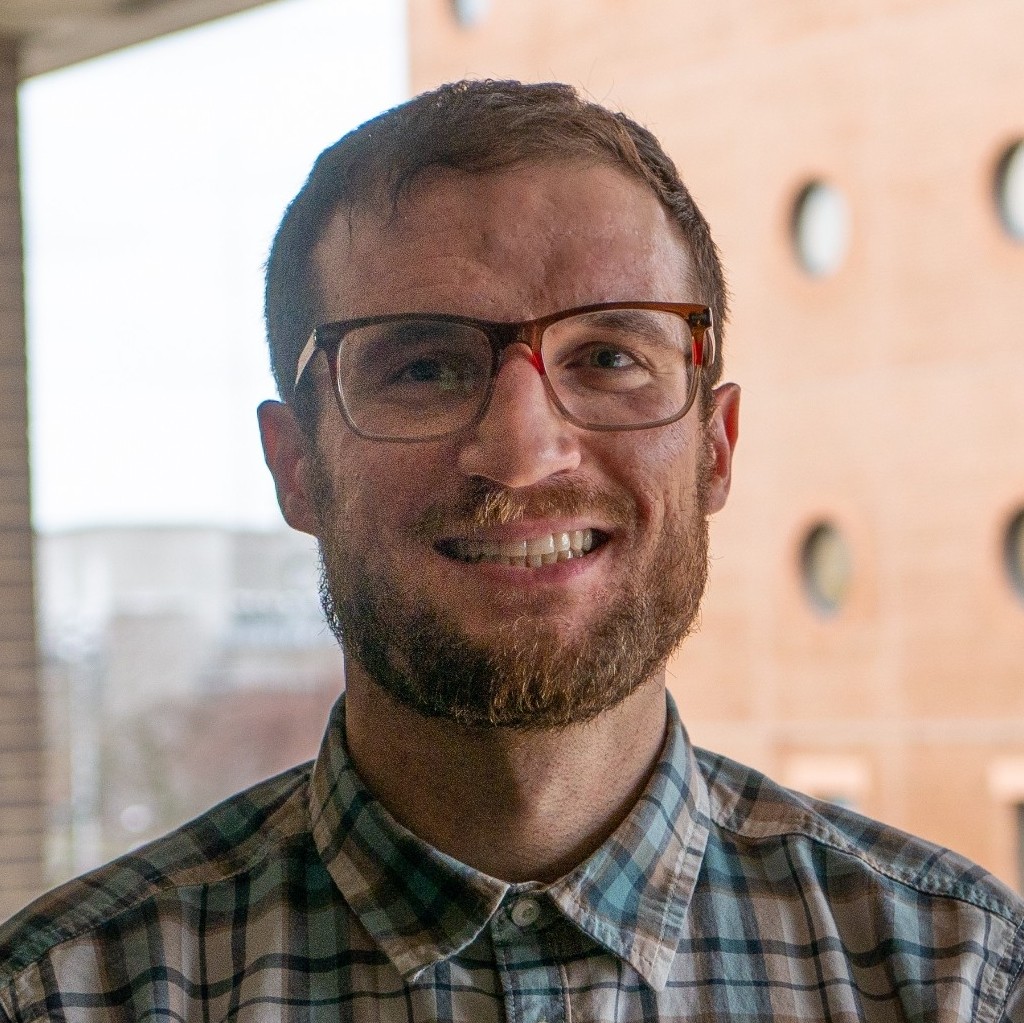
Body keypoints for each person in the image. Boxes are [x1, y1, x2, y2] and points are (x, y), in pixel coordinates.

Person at [1, 79, 1021, 1023]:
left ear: (715, 448)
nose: (525, 453)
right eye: (427, 365)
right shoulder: (70, 996)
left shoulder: (960, 977)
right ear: (296, 466)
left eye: (610, 357)